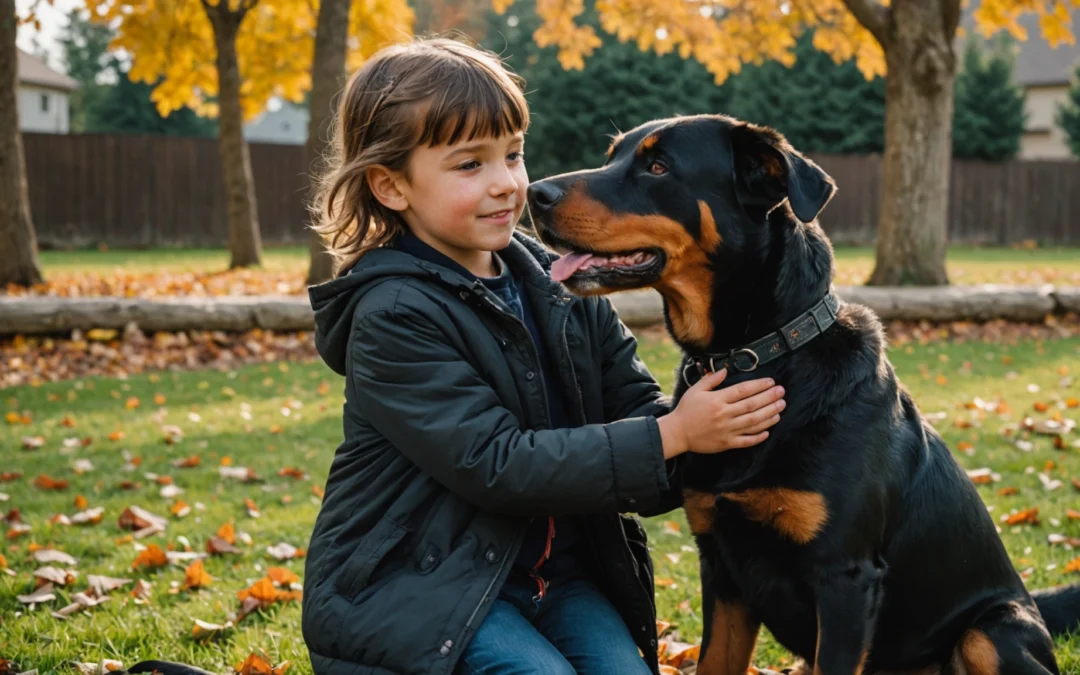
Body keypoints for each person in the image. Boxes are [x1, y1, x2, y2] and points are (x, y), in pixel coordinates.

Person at [301, 37, 786, 675]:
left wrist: (734, 434)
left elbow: (634, 407)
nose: (507, 184)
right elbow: (496, 465)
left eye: (513, 154)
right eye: (469, 165)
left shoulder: (564, 283)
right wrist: (676, 433)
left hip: (554, 579)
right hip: (418, 591)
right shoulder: (394, 314)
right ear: (391, 186)